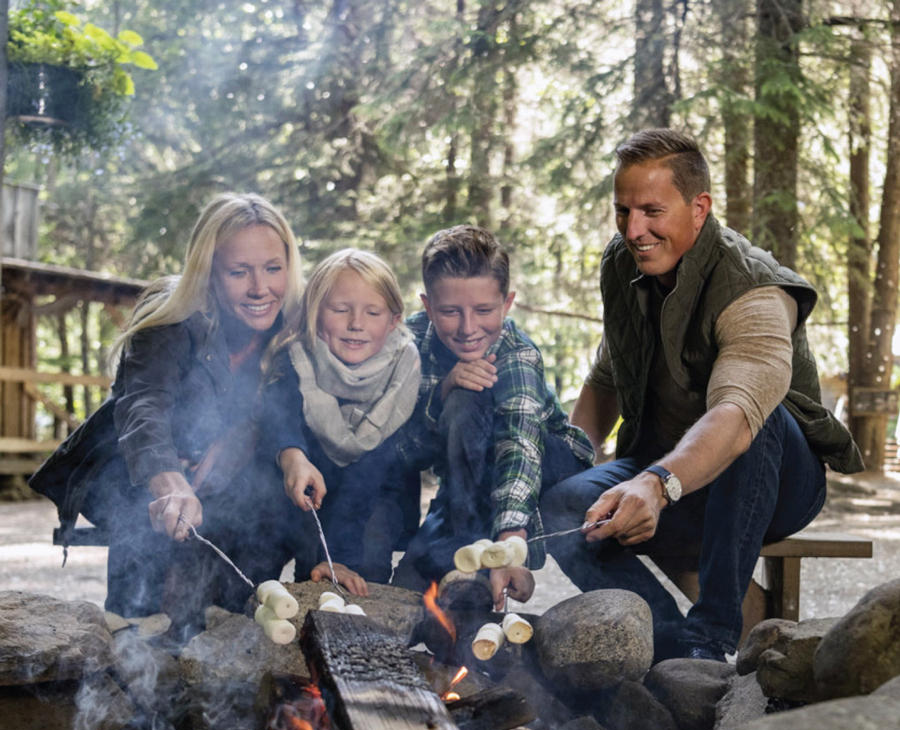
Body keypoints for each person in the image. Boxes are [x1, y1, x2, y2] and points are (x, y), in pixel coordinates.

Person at [540, 129, 863, 663]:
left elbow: (736, 417)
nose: (633, 230)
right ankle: (666, 644)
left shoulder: (754, 290)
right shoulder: (623, 264)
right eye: (622, 211)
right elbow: (606, 379)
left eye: (651, 211)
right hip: (670, 478)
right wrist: (569, 463)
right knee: (560, 506)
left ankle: (711, 637)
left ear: (699, 208)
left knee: (762, 420)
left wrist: (656, 484)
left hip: (773, 483)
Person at [29, 193, 324, 630]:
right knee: (146, 617)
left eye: (272, 268)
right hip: (141, 475)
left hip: (231, 487)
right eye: (239, 272)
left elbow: (283, 406)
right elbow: (143, 403)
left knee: (229, 617)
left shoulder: (291, 322)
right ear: (209, 273)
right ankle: (133, 634)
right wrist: (169, 481)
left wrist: (265, 444)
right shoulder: (172, 313)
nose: (261, 288)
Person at [391, 224, 594, 609]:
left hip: (549, 462)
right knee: (405, 593)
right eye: (450, 312)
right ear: (428, 305)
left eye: (484, 310)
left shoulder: (517, 355)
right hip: (464, 485)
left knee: (471, 396)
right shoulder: (409, 344)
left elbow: (519, 446)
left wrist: (510, 544)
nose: (468, 329)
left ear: (507, 303)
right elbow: (401, 450)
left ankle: (477, 561)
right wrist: (441, 392)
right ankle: (458, 544)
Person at [261, 248, 421, 587]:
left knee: (366, 567)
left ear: (394, 320)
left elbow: (373, 469)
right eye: (340, 309)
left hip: (378, 494)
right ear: (316, 313)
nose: (356, 324)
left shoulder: (404, 369)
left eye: (373, 312)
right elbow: (280, 414)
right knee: (310, 569)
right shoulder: (298, 359)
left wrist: (342, 560)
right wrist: (292, 455)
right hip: (307, 489)